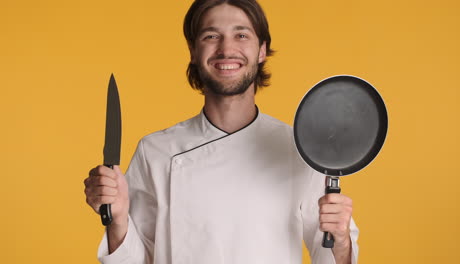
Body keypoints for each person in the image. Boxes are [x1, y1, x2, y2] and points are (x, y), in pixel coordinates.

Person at [84, 0, 359, 263]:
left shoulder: (299, 150)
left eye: (241, 35)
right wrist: (118, 219)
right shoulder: (155, 151)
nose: (226, 49)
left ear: (262, 50)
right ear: (193, 51)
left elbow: (331, 257)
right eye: (211, 36)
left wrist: (343, 239)